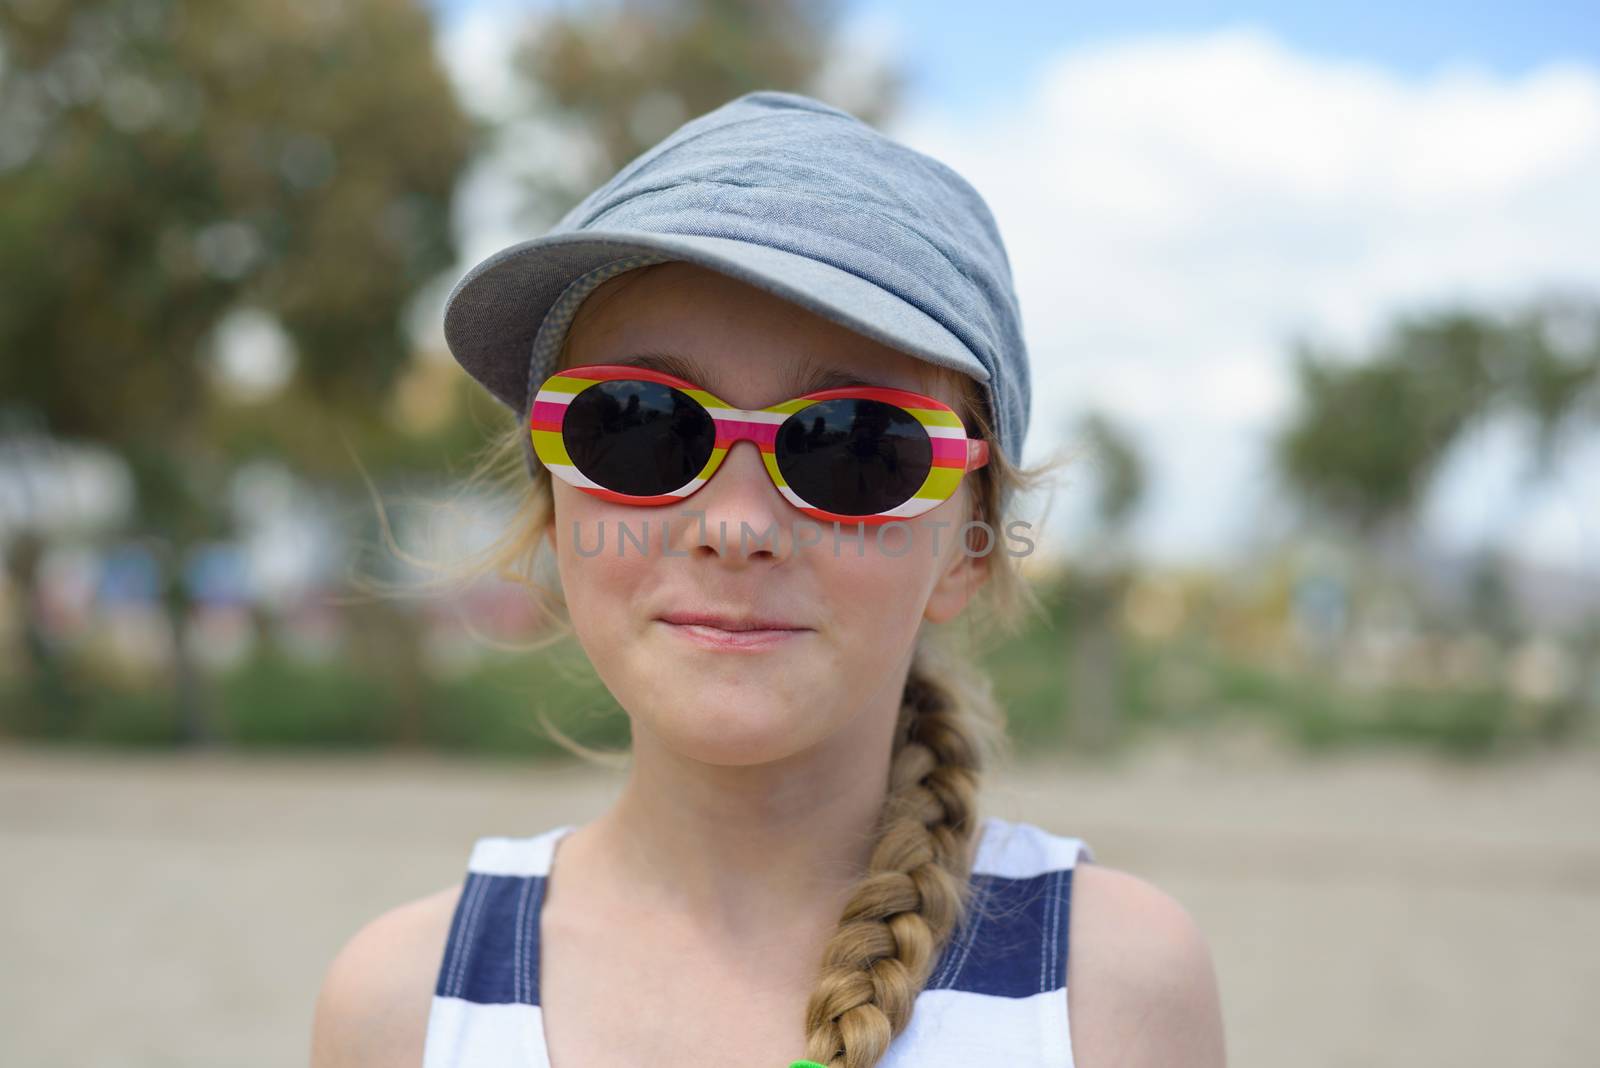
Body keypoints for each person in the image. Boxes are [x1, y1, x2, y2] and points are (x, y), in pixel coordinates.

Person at [310, 90, 1225, 1068]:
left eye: (856, 448)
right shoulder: (400, 1008)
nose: (737, 527)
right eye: (641, 425)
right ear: (555, 510)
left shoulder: (1105, 995)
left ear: (967, 545)